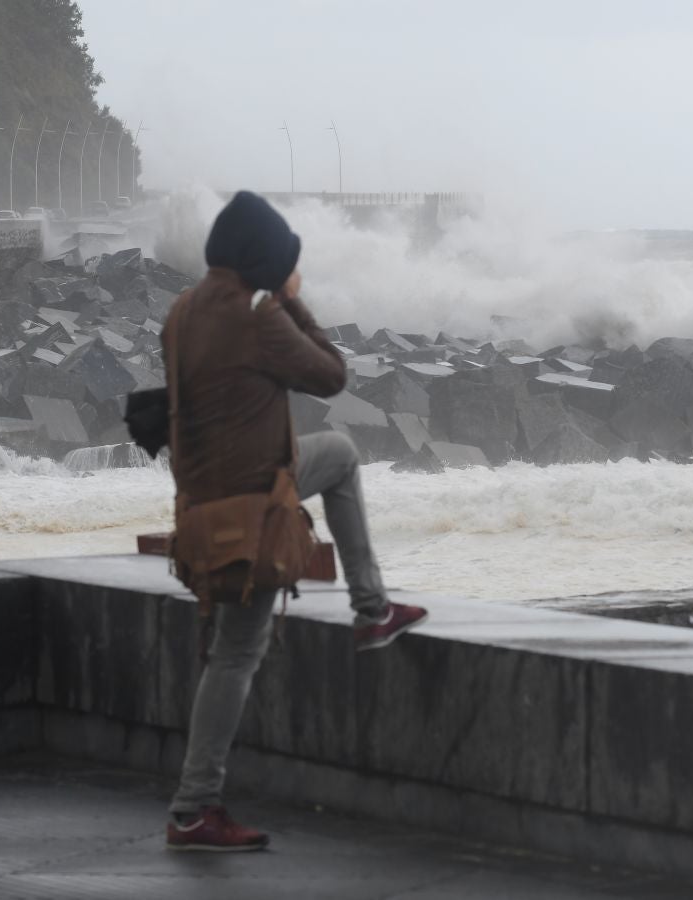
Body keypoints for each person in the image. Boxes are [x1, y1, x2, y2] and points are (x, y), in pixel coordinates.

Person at [162, 191, 426, 852]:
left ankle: (372, 609)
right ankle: (194, 808)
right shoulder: (257, 316)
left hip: (201, 506)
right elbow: (331, 375)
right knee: (235, 656)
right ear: (264, 263)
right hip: (254, 511)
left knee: (334, 455)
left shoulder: (182, 312)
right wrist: (289, 299)